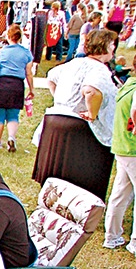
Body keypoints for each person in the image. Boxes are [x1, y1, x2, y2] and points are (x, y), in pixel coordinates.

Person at [32, 29, 118, 201]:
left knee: (58, 175)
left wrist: (61, 101)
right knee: (82, 179)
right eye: (112, 44)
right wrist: (91, 114)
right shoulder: (99, 69)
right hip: (79, 128)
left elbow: (52, 76)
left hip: (56, 121)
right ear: (106, 46)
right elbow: (91, 90)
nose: (114, 48)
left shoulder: (74, 63)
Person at [103, 53, 136, 255]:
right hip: (132, 147)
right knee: (122, 192)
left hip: (122, 146)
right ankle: (134, 241)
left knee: (121, 192)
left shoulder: (128, 84)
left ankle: (113, 235)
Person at [0, 24, 35, 152]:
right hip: (17, 85)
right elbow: (29, 72)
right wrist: (31, 89)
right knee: (13, 115)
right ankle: (11, 137)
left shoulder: (1, 52)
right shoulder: (26, 53)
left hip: (2, 84)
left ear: (7, 36)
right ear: (20, 37)